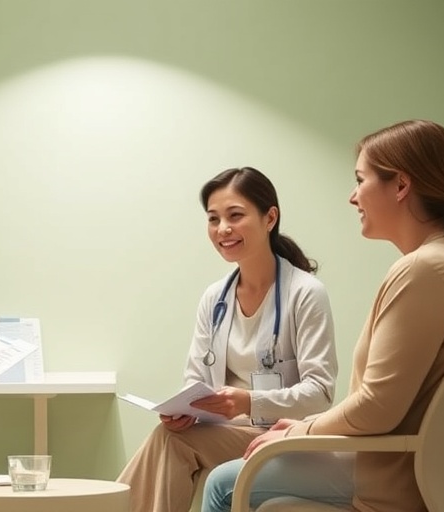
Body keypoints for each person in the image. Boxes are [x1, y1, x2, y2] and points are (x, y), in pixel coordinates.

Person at [201, 120, 444, 512]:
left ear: (401, 186)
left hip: (397, 474)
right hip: (436, 469)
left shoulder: (423, 270)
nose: (353, 197)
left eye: (360, 179)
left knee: (224, 482)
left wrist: (302, 430)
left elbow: (377, 407)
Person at [117, 167, 338, 512]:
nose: (223, 229)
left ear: (270, 218)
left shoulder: (305, 294)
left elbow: (321, 394)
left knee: (171, 445)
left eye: (235, 215)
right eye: (213, 219)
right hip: (230, 435)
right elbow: (196, 380)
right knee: (171, 436)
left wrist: (249, 401)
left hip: (285, 437)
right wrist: (186, 411)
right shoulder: (215, 298)